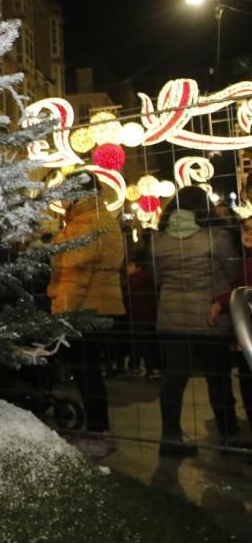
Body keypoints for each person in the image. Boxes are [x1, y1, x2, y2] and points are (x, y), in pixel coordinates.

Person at [151, 186, 241, 456]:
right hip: (209, 318)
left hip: (171, 318)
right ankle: (228, 436)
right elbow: (233, 272)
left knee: (174, 379)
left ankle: (170, 437)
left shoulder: (159, 241)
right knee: (218, 378)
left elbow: (156, 279)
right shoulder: (217, 237)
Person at [47, 190, 123, 457]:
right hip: (102, 306)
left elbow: (75, 276)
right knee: (90, 372)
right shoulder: (101, 218)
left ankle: (99, 432)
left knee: (87, 373)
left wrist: (64, 316)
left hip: (86, 309)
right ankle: (99, 430)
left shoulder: (86, 223)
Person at [207, 215, 252, 433]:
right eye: (245, 228)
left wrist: (221, 302)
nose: (248, 233)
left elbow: (245, 290)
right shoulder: (245, 258)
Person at [124, 249, 160, 378]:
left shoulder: (134, 280)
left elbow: (127, 296)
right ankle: (142, 366)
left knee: (142, 342)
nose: (127, 268)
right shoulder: (147, 278)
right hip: (148, 315)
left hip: (138, 315)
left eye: (130, 266)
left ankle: (149, 367)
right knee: (145, 342)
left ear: (137, 267)